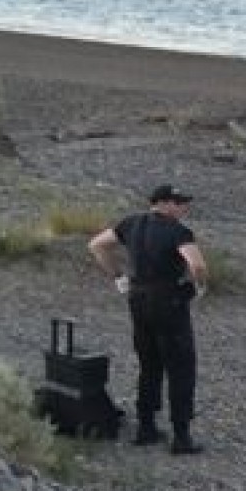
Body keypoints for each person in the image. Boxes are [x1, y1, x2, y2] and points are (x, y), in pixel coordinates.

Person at [88, 184, 209, 455]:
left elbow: (96, 245)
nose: (184, 207)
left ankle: (146, 427)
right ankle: (181, 436)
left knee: (149, 363)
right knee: (180, 367)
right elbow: (198, 264)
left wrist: (118, 276)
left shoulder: (131, 223)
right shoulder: (179, 232)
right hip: (169, 301)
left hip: (139, 299)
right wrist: (200, 286)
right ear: (164, 203)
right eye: (179, 203)